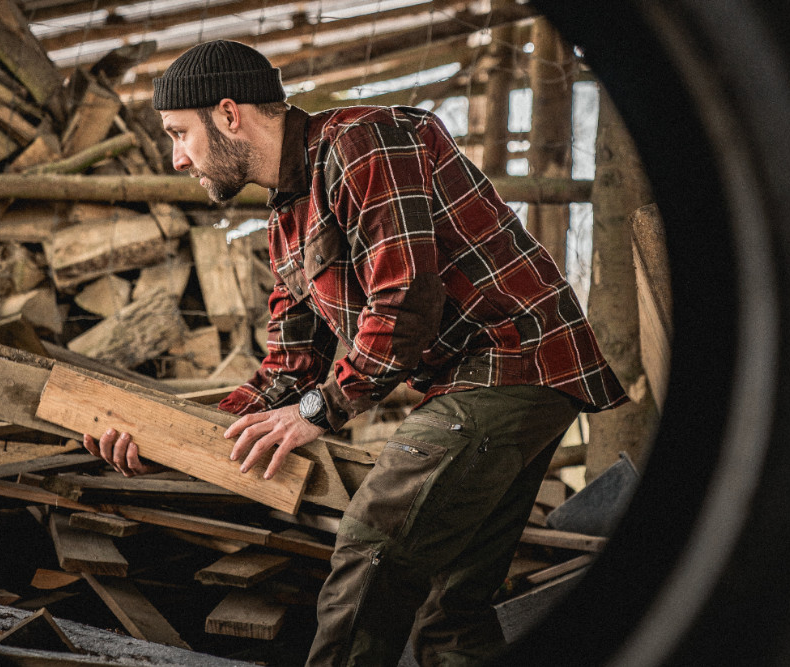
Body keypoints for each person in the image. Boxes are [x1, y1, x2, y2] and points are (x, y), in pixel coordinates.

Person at [84, 40, 628, 666]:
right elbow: (288, 369)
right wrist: (167, 440)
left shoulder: (363, 142)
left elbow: (404, 302)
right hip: (481, 378)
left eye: (180, 134)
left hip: (512, 358)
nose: (177, 159)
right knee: (447, 611)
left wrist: (320, 410)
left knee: (374, 542)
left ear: (229, 115)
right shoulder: (286, 219)